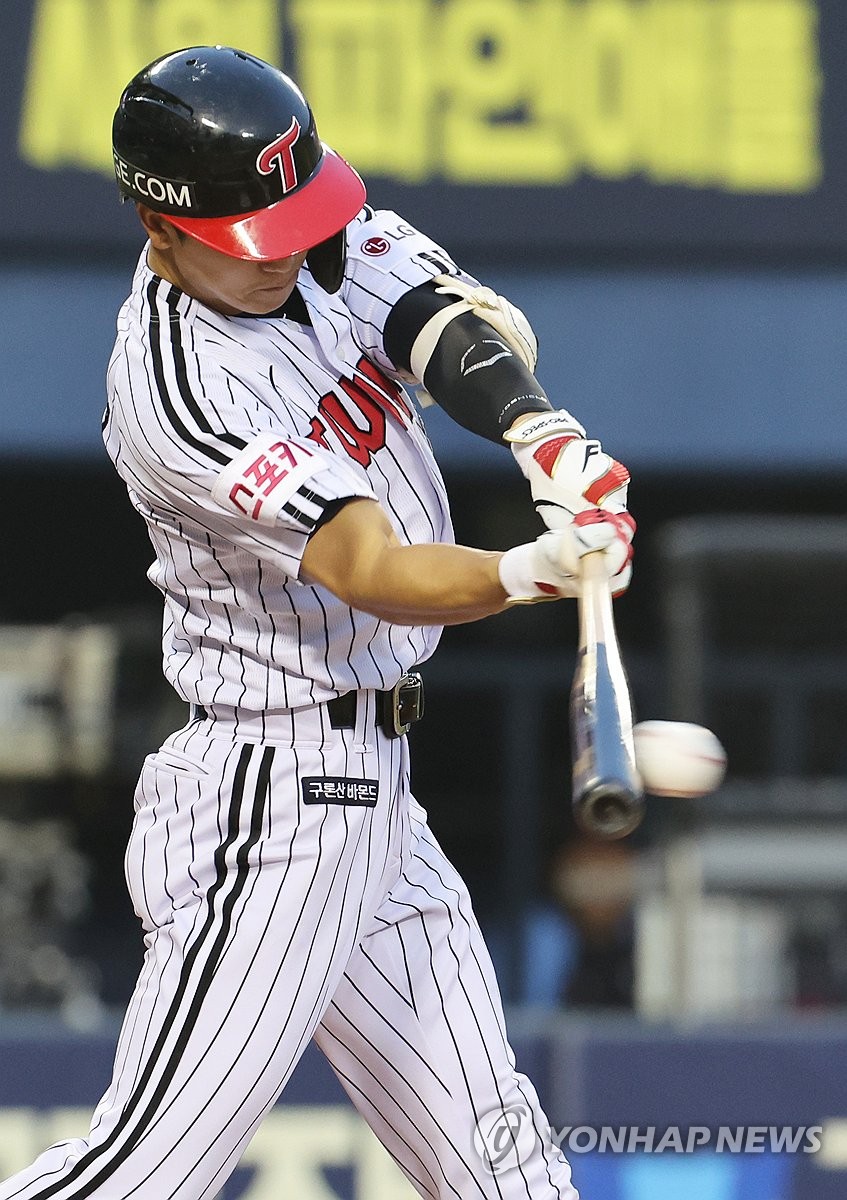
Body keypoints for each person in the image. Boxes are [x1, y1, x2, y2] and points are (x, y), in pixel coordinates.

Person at [0, 46, 634, 1200]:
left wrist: (541, 433)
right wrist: (529, 568)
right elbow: (367, 566)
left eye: (297, 217)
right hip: (270, 798)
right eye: (257, 236)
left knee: (508, 1175)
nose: (290, 249)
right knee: (142, 1177)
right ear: (159, 224)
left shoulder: (316, 229)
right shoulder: (178, 390)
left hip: (377, 794)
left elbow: (437, 320)